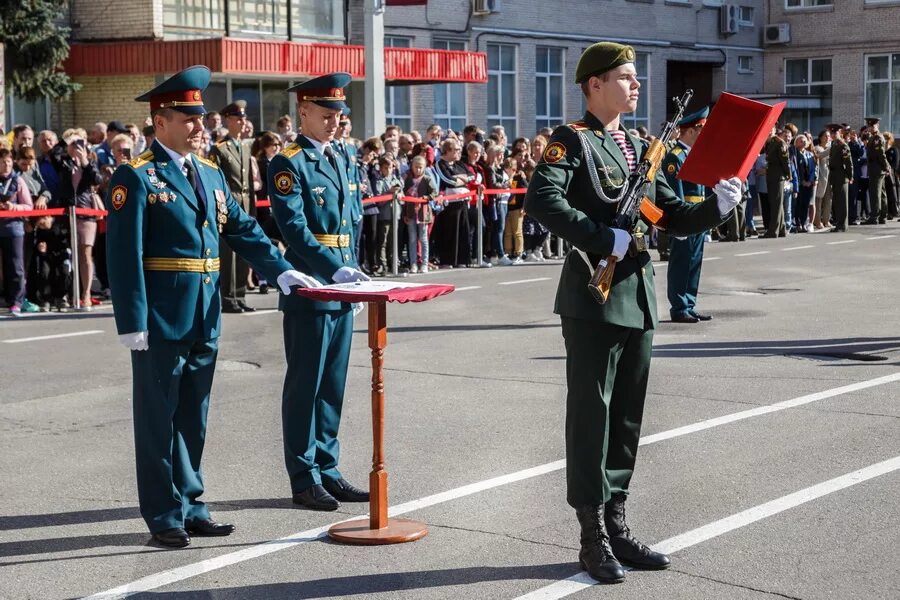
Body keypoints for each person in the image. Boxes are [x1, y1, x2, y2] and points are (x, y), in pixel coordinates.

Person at [523, 41, 741, 584]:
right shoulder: (570, 141)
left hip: (638, 295)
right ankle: (591, 535)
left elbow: (670, 214)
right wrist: (605, 237)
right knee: (590, 419)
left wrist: (717, 205)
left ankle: (619, 524)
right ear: (594, 84)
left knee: (625, 419)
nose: (636, 85)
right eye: (624, 76)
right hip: (593, 300)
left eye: (635, 77)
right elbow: (544, 202)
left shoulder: (641, 147)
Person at [105, 65, 318, 548]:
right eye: (189, 119)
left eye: (201, 118)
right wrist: (132, 321)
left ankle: (191, 503)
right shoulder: (136, 176)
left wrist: (280, 269)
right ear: (160, 122)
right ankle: (163, 514)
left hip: (204, 313)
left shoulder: (208, 173)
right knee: (158, 417)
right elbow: (123, 254)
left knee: (194, 415)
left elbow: (241, 227)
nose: (201, 127)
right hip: (160, 318)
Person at [268, 72, 372, 511]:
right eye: (326, 115)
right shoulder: (287, 163)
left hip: (343, 284)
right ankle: (303, 475)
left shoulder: (344, 157)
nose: (334, 123)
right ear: (303, 112)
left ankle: (328, 468)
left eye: (339, 116)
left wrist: (355, 271)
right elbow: (293, 228)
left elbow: (352, 224)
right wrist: (336, 269)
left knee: (332, 385)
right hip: (313, 285)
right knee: (305, 384)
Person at [662, 106, 714, 323]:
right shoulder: (675, 157)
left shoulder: (692, 155)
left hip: (697, 215)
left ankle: (689, 304)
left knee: (694, 262)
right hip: (685, 217)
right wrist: (679, 223)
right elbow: (676, 193)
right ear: (691, 131)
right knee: (682, 262)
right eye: (701, 129)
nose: (704, 134)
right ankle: (679, 306)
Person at [209, 100, 256, 313]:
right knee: (228, 254)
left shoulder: (244, 146)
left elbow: (248, 183)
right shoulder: (220, 148)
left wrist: (252, 208)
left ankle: (240, 294)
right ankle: (228, 298)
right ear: (228, 120)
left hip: (244, 203)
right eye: (238, 118)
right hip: (229, 205)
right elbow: (216, 182)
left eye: (243, 118)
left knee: (244, 251)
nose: (242, 122)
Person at [58, 129, 103, 310]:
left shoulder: (89, 162)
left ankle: (86, 293)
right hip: (67, 213)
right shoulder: (63, 162)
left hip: (85, 213)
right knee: (69, 254)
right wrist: (68, 146)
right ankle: (69, 292)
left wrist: (84, 161)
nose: (77, 147)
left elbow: (97, 179)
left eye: (80, 143)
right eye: (73, 144)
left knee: (85, 253)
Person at [0, 147, 34, 316]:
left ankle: (17, 301)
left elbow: (29, 207)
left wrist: (13, 207)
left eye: (8, 162)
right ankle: (5, 298)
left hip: (13, 229)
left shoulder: (18, 181)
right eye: (2, 162)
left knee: (15, 266)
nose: (5, 165)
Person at [403, 155, 437, 273]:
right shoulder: (408, 179)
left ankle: (424, 263)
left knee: (423, 238)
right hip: (411, 212)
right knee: (412, 239)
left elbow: (434, 193)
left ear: (424, 168)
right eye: (416, 167)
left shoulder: (427, 179)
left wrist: (425, 198)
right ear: (412, 167)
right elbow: (404, 197)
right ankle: (413, 263)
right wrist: (405, 214)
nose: (418, 170)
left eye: (420, 167)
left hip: (423, 213)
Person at [765, 128, 790, 237]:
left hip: (778, 176)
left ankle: (773, 231)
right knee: (776, 203)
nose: (769, 131)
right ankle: (781, 229)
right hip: (771, 175)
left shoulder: (780, 143)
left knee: (776, 203)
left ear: (775, 130)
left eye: (771, 129)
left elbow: (785, 161)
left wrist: (788, 175)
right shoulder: (770, 142)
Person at [828, 124, 853, 232]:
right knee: (837, 201)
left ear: (840, 133)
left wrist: (850, 176)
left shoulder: (843, 145)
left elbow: (848, 163)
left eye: (835, 133)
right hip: (834, 175)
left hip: (841, 176)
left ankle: (843, 225)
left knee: (842, 202)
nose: (833, 135)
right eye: (832, 133)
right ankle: (839, 223)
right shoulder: (834, 144)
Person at [864, 117, 888, 224]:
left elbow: (881, 154)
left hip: (877, 169)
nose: (870, 128)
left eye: (872, 126)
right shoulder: (872, 137)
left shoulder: (877, 137)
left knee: (875, 193)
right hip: (876, 168)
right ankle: (882, 216)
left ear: (877, 126)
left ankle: (875, 217)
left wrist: (886, 166)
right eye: (869, 126)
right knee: (881, 193)